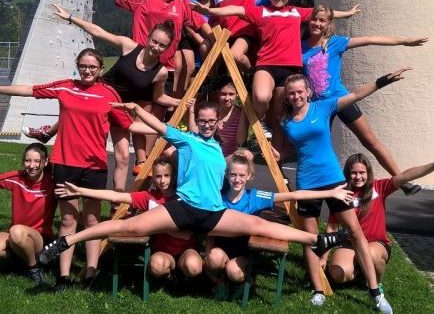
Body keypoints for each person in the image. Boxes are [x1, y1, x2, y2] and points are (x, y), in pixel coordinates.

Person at [38, 100, 350, 279]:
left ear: (217, 122)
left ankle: (318, 240)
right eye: (202, 120)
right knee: (129, 226)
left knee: (259, 225)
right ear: (196, 121)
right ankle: (67, 241)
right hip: (183, 208)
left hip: (213, 213)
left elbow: (238, 160)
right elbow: (159, 127)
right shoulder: (186, 139)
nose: (207, 124)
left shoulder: (219, 150)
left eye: (211, 120)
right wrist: (136, 109)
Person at [0, 48, 156, 291]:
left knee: (92, 219)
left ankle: (90, 274)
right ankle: (63, 276)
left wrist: (166, 130)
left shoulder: (108, 94)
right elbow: (30, 89)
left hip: (94, 167)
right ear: (77, 66)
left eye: (92, 67)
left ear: (100, 69)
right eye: (83, 66)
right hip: (65, 164)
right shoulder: (65, 87)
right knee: (68, 220)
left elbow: (130, 126)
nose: (87, 71)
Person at [275, 70, 411, 313]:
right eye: (291, 93)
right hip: (306, 182)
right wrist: (276, 154)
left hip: (333, 180)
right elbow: (289, 149)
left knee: (355, 232)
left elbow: (355, 95)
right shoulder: (286, 122)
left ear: (308, 92)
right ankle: (318, 290)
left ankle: (375, 292)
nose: (296, 96)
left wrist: (381, 81)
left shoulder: (323, 107)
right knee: (310, 238)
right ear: (287, 96)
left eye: (300, 92)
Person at [191, 0, 359, 149]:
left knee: (280, 116)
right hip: (267, 64)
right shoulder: (261, 11)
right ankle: (261, 120)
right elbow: (236, 9)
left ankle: (277, 155)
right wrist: (209, 11)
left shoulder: (296, 12)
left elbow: (324, 13)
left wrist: (347, 13)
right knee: (261, 97)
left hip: (291, 69)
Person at [25, 6, 180, 186]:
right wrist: (70, 18)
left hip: (119, 110)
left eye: (162, 45)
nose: (156, 47)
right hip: (99, 95)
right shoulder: (129, 46)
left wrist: (180, 102)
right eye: (154, 41)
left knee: (123, 157)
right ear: (148, 37)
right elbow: (98, 32)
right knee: (77, 112)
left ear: (168, 48)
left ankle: (117, 199)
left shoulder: (161, 72)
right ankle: (48, 133)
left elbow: (158, 97)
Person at [302, 4, 429, 195]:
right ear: (309, 20)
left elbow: (369, 39)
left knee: (370, 141)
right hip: (319, 107)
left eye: (322, 20)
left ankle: (401, 180)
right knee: (318, 147)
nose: (317, 23)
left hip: (342, 99)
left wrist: (404, 41)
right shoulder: (300, 46)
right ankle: (318, 190)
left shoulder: (335, 43)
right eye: (314, 19)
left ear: (328, 24)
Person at [64, 0, 212, 100]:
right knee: (124, 108)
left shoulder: (183, 2)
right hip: (139, 64)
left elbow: (201, 23)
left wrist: (214, 39)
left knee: (155, 114)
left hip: (164, 68)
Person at [205, 151, 354, 285]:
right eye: (233, 175)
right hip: (221, 247)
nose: (237, 179)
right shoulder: (218, 199)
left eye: (241, 175)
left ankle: (243, 277)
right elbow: (211, 230)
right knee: (213, 259)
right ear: (227, 175)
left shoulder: (255, 197)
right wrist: (207, 255)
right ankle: (219, 278)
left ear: (249, 176)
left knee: (234, 272)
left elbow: (293, 195)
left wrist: (330, 193)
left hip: (244, 250)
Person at [55, 157, 203, 283]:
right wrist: (80, 191)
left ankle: (186, 278)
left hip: (186, 249)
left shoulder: (184, 197)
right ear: (153, 178)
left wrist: (155, 226)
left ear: (174, 176)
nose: (163, 180)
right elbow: (115, 196)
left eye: (167, 175)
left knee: (193, 266)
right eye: (158, 176)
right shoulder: (149, 198)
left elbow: (186, 234)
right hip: (163, 251)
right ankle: (171, 277)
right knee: (157, 267)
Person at [321, 154, 434, 294]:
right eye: (354, 173)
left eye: (362, 172)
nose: (358, 177)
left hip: (376, 244)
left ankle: (376, 283)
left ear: (368, 173)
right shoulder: (341, 195)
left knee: (371, 254)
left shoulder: (379, 187)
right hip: (350, 244)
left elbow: (405, 176)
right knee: (337, 275)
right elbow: (332, 227)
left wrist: (432, 165)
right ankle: (361, 272)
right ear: (347, 174)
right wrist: (323, 258)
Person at [0, 143, 56, 285]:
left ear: (45, 162)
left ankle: (34, 269)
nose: (32, 165)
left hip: (40, 238)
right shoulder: (16, 178)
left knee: (16, 231)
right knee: (14, 233)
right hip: (14, 234)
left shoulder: (53, 182)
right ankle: (23, 262)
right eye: (27, 160)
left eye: (37, 161)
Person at [188, 79, 249, 159]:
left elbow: (240, 140)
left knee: (247, 154)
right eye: (223, 94)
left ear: (237, 94)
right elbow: (194, 134)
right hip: (209, 156)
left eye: (231, 94)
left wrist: (244, 110)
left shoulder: (240, 114)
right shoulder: (211, 111)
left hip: (228, 158)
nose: (227, 98)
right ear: (218, 94)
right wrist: (191, 111)